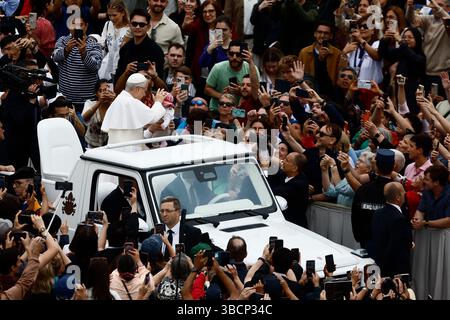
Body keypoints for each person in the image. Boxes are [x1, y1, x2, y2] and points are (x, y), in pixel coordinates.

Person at [101, 73, 168, 151]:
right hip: (129, 150)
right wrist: (158, 101)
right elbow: (153, 117)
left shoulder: (119, 99)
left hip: (115, 149)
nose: (144, 95)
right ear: (138, 89)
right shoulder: (131, 102)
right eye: (144, 91)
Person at [52, 14, 103, 113]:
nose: (76, 28)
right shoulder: (62, 40)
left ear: (86, 26)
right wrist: (66, 50)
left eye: (80, 25)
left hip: (87, 101)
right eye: (73, 25)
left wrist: (84, 53)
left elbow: (95, 66)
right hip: (65, 101)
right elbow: (55, 57)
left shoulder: (94, 44)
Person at [351, 149, 395, 251]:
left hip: (367, 241)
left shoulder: (363, 190)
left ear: (375, 166)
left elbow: (356, 216)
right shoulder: (397, 191)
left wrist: (359, 236)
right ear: (393, 166)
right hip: (389, 243)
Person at [114, 9, 165, 93]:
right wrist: (126, 73)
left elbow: (163, 90)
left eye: (141, 25)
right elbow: (117, 89)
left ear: (148, 27)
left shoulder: (156, 50)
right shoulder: (125, 49)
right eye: (134, 24)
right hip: (127, 96)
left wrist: (154, 76)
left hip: (149, 97)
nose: (137, 27)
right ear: (130, 25)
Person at [205, 40, 260, 112]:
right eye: (231, 54)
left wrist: (241, 91)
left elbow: (257, 93)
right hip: (218, 110)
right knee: (197, 118)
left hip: (240, 111)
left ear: (243, 55)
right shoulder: (218, 67)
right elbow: (207, 89)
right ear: (227, 54)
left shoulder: (252, 68)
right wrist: (223, 96)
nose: (234, 57)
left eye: (238, 54)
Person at [372, 182, 412, 277]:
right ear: (398, 198)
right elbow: (397, 245)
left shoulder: (377, 213)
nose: (405, 193)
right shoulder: (399, 218)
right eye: (403, 192)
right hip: (396, 270)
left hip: (380, 264)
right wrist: (409, 243)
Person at [299, 21, 343, 96]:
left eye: (326, 33)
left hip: (329, 93)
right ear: (315, 34)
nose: (322, 36)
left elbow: (338, 76)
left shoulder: (337, 53)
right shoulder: (304, 52)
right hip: (308, 91)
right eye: (320, 32)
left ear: (331, 36)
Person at [268, 152, 309, 228]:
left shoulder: (298, 184)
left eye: (286, 160)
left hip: (294, 227)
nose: (283, 161)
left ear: (294, 168)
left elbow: (272, 193)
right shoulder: (286, 174)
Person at [411, 165, 450, 230]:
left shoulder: (448, 195)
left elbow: (448, 221)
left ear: (436, 182)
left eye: (426, 179)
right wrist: (417, 220)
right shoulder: (427, 192)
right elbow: (420, 210)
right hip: (430, 235)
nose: (423, 181)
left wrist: (426, 223)